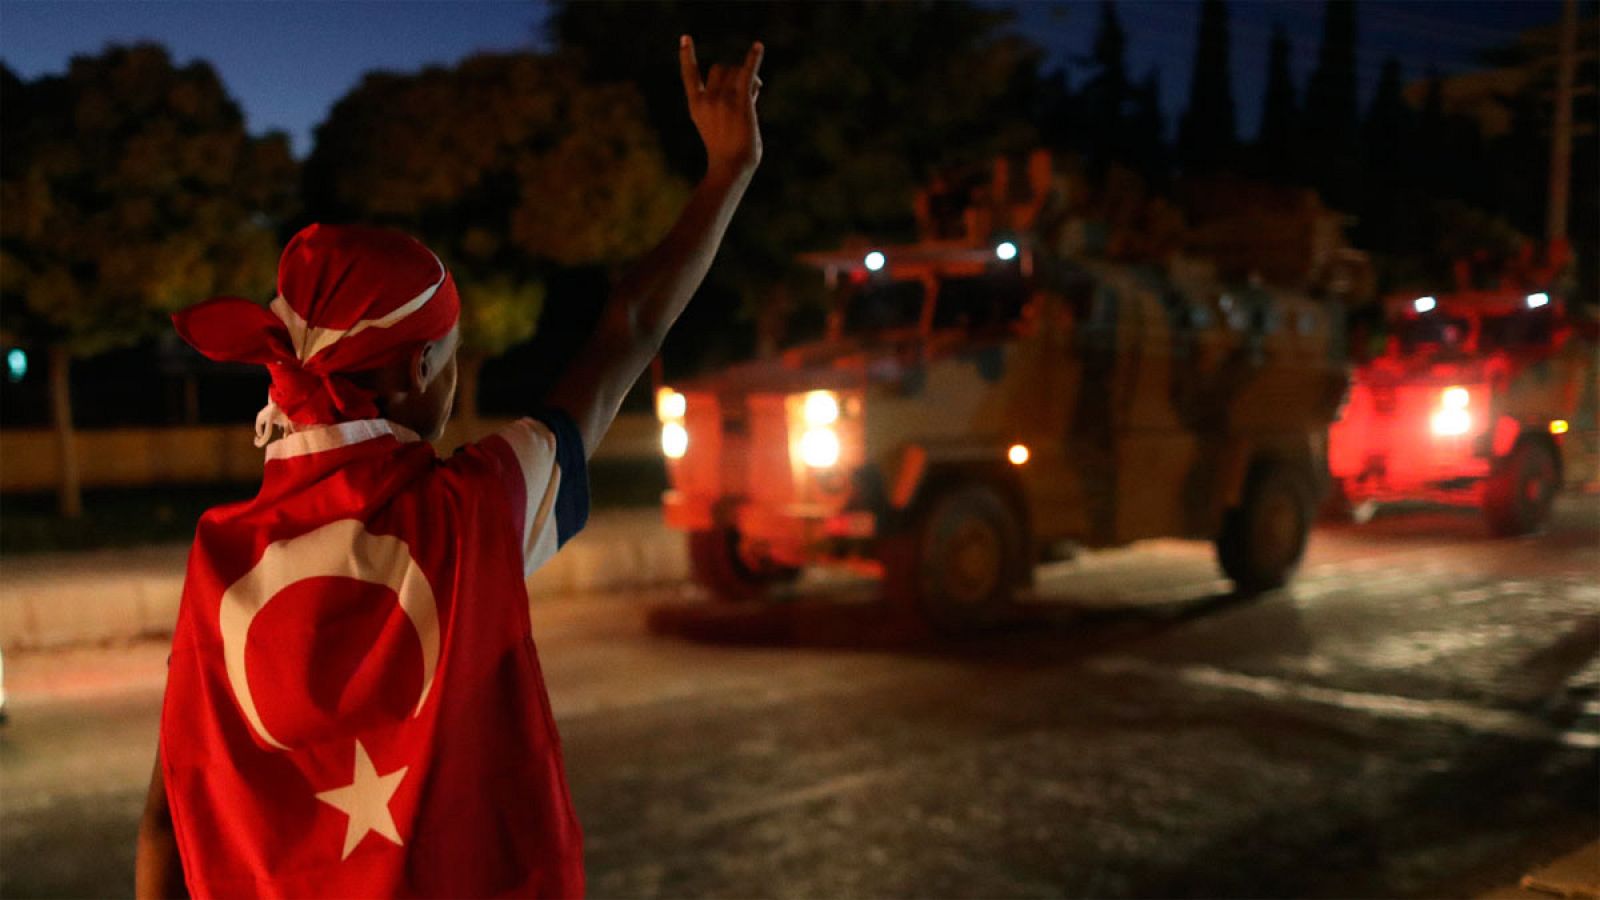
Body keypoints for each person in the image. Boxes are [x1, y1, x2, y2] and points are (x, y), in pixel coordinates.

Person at [135, 35, 762, 899]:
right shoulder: (474, 514)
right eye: (451, 354)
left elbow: (166, 821)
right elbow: (630, 329)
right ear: (415, 371)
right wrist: (726, 171)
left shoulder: (219, 561)